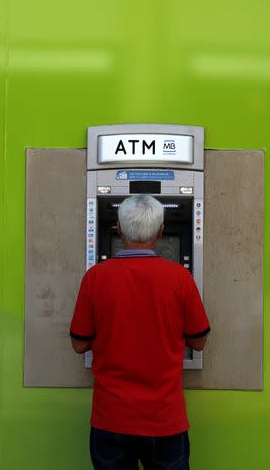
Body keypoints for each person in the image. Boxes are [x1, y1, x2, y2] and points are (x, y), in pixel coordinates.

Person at [70, 194, 210, 470]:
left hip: (111, 419)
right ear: (160, 232)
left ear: (119, 230)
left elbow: (79, 344)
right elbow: (199, 340)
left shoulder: (95, 277)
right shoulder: (180, 278)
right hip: (165, 419)